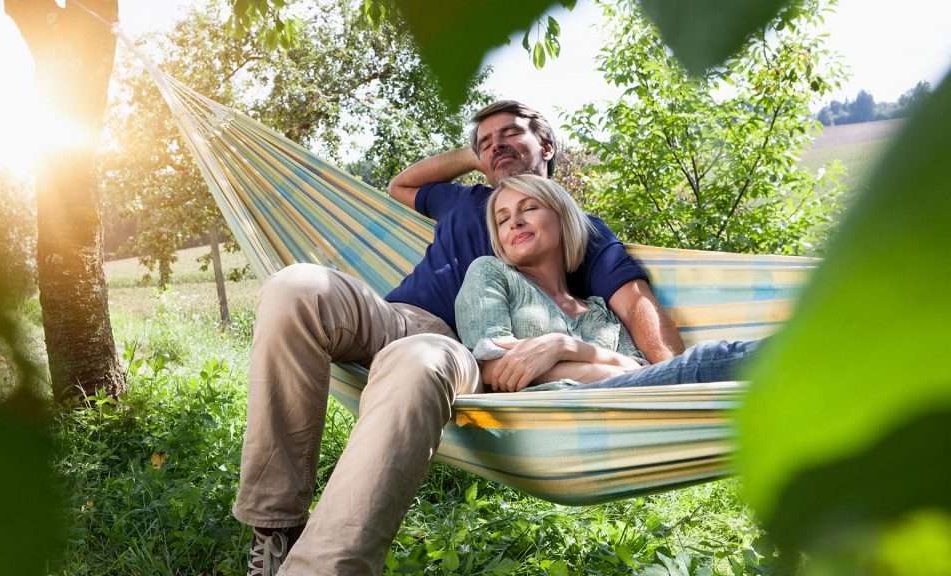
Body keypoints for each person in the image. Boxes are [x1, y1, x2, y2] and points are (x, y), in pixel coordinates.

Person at [235, 100, 684, 576]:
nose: (496, 147)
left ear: (547, 145)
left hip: (466, 353)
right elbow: (401, 185)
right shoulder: (463, 199)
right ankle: (275, 527)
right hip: (398, 317)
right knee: (296, 287)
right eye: (484, 142)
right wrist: (480, 156)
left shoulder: (576, 228)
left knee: (418, 359)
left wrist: (677, 381)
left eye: (510, 135)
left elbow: (635, 304)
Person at [455, 173, 758, 393]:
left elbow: (642, 371)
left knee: (706, 365)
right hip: (552, 413)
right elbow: (493, 368)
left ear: (563, 219)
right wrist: (603, 363)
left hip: (627, 405)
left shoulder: (600, 311)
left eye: (529, 208)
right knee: (707, 362)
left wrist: (564, 347)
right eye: (503, 219)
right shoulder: (490, 272)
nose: (515, 222)